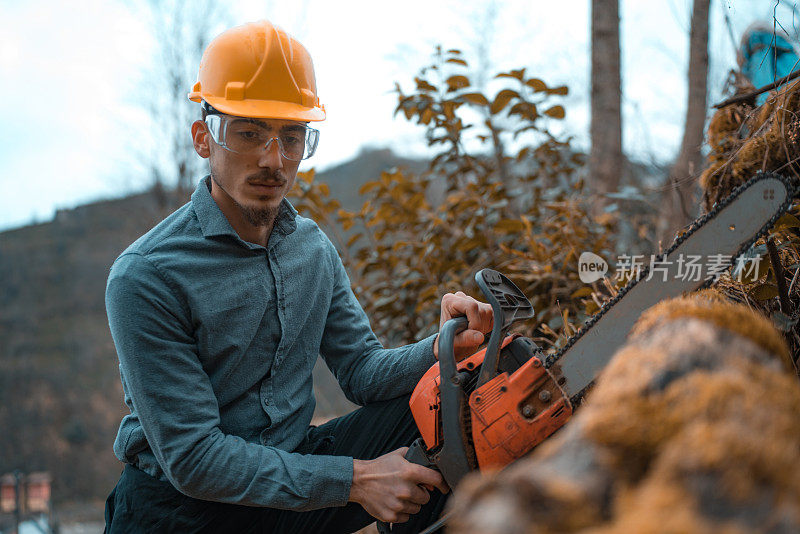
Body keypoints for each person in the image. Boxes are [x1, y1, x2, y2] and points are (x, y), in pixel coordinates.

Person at [103, 20, 493, 533]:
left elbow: (363, 372)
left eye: (291, 137)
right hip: (182, 509)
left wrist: (445, 345)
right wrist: (355, 479)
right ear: (204, 137)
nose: (273, 159)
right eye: (249, 133)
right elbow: (195, 459)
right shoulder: (146, 277)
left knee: (453, 402)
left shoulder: (311, 248)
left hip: (293, 472)